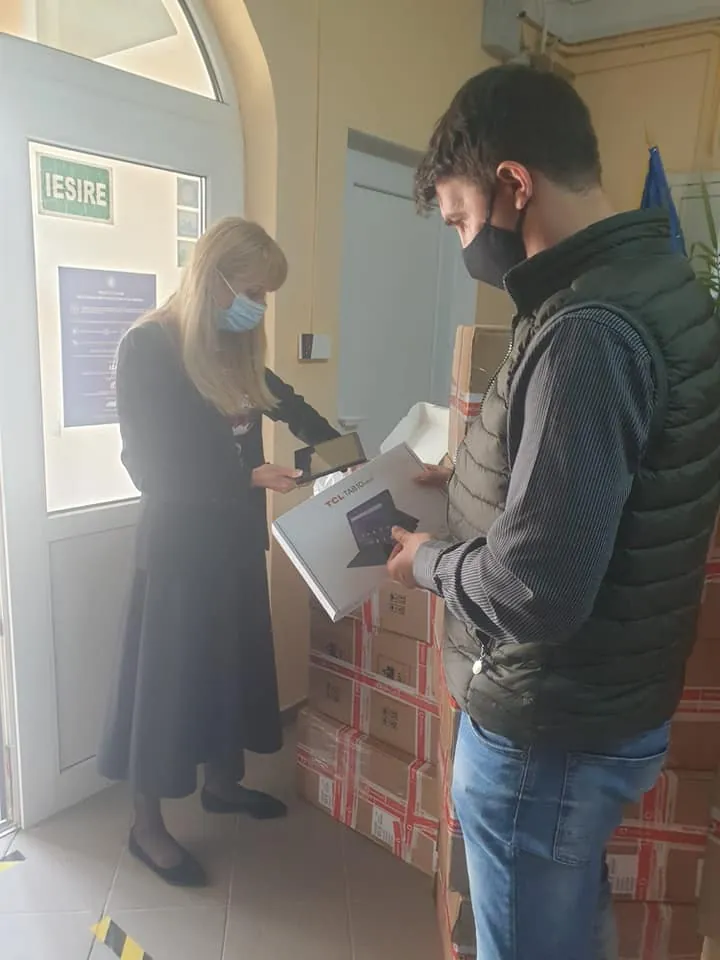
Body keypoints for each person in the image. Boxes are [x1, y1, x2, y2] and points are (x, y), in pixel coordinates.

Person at [387, 65, 720, 959]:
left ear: (514, 184)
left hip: (547, 725)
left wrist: (426, 562)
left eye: (461, 218)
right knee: (563, 918)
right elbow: (605, 474)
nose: (465, 242)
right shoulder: (658, 283)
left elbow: (536, 588)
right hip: (602, 701)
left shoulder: (588, 329)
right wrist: (470, 474)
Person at [99, 217, 339, 887]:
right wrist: (247, 478)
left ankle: (222, 786)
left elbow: (286, 403)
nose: (258, 306)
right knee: (167, 683)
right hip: (177, 554)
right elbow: (149, 467)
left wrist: (345, 451)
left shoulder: (231, 347)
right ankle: (146, 826)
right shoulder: (149, 347)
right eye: (253, 291)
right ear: (216, 278)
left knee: (229, 667)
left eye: (265, 295)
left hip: (232, 541)